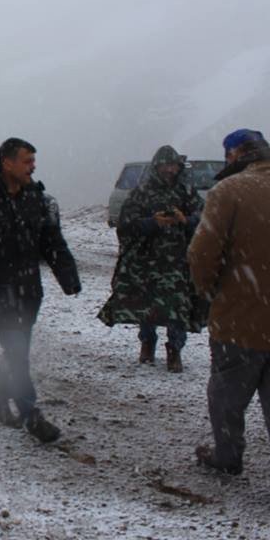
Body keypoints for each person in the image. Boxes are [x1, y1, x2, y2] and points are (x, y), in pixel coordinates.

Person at [0, 137, 81, 443]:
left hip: (27, 292)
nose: (32, 166)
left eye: (33, 161)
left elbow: (51, 239)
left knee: (15, 352)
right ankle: (31, 415)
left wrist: (68, 276)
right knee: (18, 353)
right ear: (7, 162)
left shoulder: (34, 197)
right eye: (27, 161)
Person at [187, 128, 270, 509]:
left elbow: (201, 255)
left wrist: (211, 293)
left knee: (227, 395)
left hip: (241, 320)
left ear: (234, 155)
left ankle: (227, 457)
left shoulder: (229, 191)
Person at [98, 145, 204, 372]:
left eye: (173, 165)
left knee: (178, 306)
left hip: (178, 260)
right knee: (147, 304)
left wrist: (185, 220)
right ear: (157, 167)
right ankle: (147, 342)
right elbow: (126, 224)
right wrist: (152, 222)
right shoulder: (141, 192)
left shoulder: (186, 191)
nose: (169, 170)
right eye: (165, 165)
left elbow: (202, 217)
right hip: (146, 261)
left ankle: (175, 350)